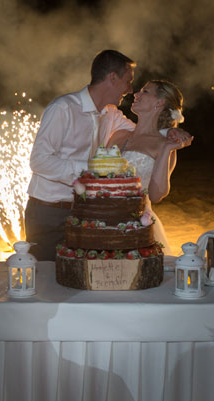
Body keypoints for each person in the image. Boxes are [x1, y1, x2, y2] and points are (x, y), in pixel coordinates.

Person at [25, 50, 191, 260]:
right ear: (113, 77)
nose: (131, 91)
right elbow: (39, 161)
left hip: (93, 217)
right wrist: (92, 168)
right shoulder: (63, 108)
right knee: (46, 275)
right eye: (129, 82)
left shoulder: (111, 115)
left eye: (142, 91)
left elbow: (146, 133)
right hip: (50, 211)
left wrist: (171, 133)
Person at [106, 80, 192, 254]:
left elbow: (156, 194)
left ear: (159, 103)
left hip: (138, 225)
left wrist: (167, 149)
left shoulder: (164, 144)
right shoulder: (120, 135)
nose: (136, 94)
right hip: (105, 220)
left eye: (145, 92)